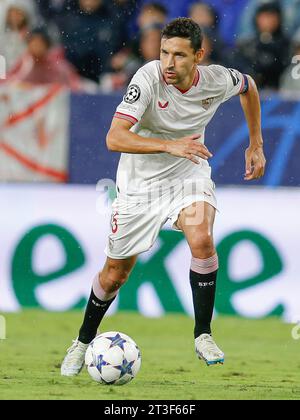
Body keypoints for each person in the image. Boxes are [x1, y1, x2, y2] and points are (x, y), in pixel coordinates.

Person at [61, 17, 266, 376]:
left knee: (202, 239)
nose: (169, 64)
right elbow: (114, 138)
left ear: (199, 56)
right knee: (114, 275)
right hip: (140, 185)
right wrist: (169, 145)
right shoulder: (148, 78)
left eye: (180, 55)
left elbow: (249, 87)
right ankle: (81, 342)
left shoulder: (217, 79)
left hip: (188, 173)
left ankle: (203, 333)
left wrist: (256, 143)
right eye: (164, 53)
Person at [233, 2, 290, 89]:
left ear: (279, 19)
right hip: (251, 89)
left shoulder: (286, 44)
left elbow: (284, 68)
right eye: (264, 17)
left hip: (278, 91)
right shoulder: (247, 44)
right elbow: (241, 68)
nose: (267, 21)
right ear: (257, 19)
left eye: (271, 17)